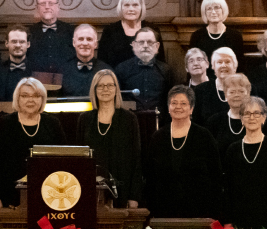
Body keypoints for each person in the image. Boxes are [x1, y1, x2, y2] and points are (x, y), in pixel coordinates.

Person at [144, 85, 222, 218]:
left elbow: (216, 176)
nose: (178, 107)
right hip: (163, 210)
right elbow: (150, 177)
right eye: (174, 103)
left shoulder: (204, 136)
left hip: (199, 210)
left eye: (183, 103)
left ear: (191, 108)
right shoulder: (158, 137)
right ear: (168, 107)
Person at [0, 78, 67, 208]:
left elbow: (64, 162)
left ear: (42, 99)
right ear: (17, 98)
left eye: (36, 96)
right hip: (9, 196)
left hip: (47, 196)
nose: (31, 100)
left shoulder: (53, 123)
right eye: (25, 95)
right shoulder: (4, 124)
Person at [76, 70, 142, 208]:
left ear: (116, 89)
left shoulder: (129, 119)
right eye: (100, 86)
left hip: (122, 190)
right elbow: (79, 161)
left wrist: (134, 196)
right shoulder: (85, 119)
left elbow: (136, 159)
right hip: (91, 192)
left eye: (109, 85)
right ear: (94, 89)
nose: (105, 89)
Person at [224, 97, 267, 229]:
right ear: (241, 119)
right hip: (240, 215)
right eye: (247, 114)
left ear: (264, 118)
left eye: (256, 113)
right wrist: (227, 220)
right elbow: (228, 187)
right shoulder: (233, 149)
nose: (251, 117)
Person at [99, 0, 163, 67]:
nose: (131, 9)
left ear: (141, 7)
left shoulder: (153, 29)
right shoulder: (109, 31)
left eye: (135, 5)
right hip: (116, 78)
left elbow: (161, 62)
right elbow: (102, 62)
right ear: (121, 8)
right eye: (126, 5)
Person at [188, 0, 246, 79]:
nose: (213, 12)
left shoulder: (235, 36)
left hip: (228, 83)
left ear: (223, 10)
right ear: (205, 12)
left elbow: (240, 67)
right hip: (204, 84)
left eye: (217, 7)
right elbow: (192, 66)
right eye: (209, 9)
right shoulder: (197, 36)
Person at [115, 27, 171, 114]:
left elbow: (170, 100)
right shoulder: (121, 69)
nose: (145, 45)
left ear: (157, 46)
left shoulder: (166, 70)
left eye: (150, 42)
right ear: (134, 45)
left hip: (159, 123)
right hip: (130, 122)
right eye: (141, 42)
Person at [204, 74, 252, 163]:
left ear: (248, 94)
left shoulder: (258, 120)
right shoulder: (214, 121)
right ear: (225, 95)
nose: (237, 95)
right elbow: (207, 154)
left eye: (241, 91)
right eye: (232, 92)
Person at [26, 0, 76, 74]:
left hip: (66, 83)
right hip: (37, 84)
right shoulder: (29, 32)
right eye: (43, 3)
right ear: (37, 8)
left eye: (51, 3)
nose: (47, 6)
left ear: (58, 6)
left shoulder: (72, 31)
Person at [60, 24, 112, 97]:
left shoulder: (107, 71)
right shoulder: (61, 71)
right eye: (80, 39)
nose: (85, 43)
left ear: (96, 44)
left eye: (89, 39)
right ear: (74, 42)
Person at [192, 47, 238, 125]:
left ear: (234, 66)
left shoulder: (246, 89)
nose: (224, 65)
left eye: (227, 62)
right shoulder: (200, 90)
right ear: (213, 67)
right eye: (219, 62)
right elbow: (195, 122)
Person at [0, 25, 32, 101]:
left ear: (28, 44)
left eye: (22, 42)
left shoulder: (37, 72)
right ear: (6, 43)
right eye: (14, 41)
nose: (18, 45)